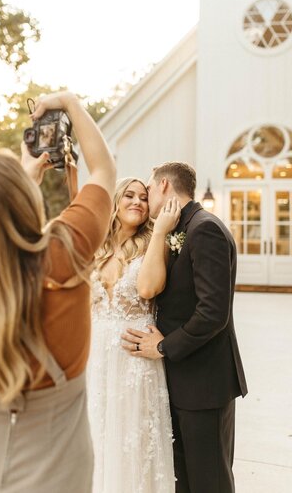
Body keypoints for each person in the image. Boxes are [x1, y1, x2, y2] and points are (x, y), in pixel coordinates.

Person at [0, 91, 116, 493]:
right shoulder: (65, 253)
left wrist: (19, 179)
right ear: (23, 202)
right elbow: (103, 170)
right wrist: (69, 102)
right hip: (54, 462)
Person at [122, 162, 248, 493]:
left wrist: (163, 347)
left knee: (210, 483)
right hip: (182, 381)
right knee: (185, 482)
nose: (146, 199)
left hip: (205, 384)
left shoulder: (203, 229)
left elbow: (213, 312)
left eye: (148, 190)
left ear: (164, 185)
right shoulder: (182, 227)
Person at [87, 177, 179, 493]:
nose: (137, 201)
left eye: (143, 197)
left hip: (134, 359)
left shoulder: (154, 243)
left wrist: (161, 231)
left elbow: (148, 288)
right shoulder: (96, 245)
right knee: (98, 438)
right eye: (129, 195)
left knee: (133, 443)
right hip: (96, 357)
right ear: (116, 201)